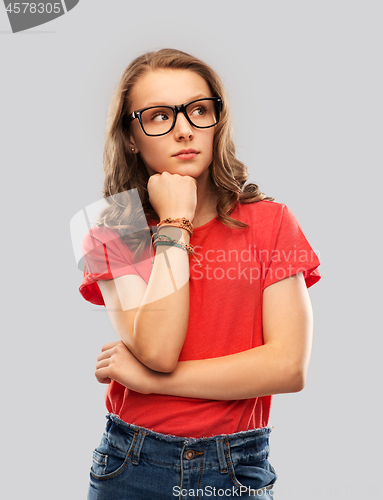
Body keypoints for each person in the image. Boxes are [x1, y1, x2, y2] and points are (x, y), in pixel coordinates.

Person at [79, 48, 321, 499]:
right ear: (131, 137)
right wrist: (175, 221)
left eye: (198, 110)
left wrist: (151, 382)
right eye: (157, 116)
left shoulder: (270, 222)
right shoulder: (116, 226)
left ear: (216, 121)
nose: (185, 129)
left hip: (238, 467)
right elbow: (158, 348)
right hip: (132, 463)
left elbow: (288, 367)